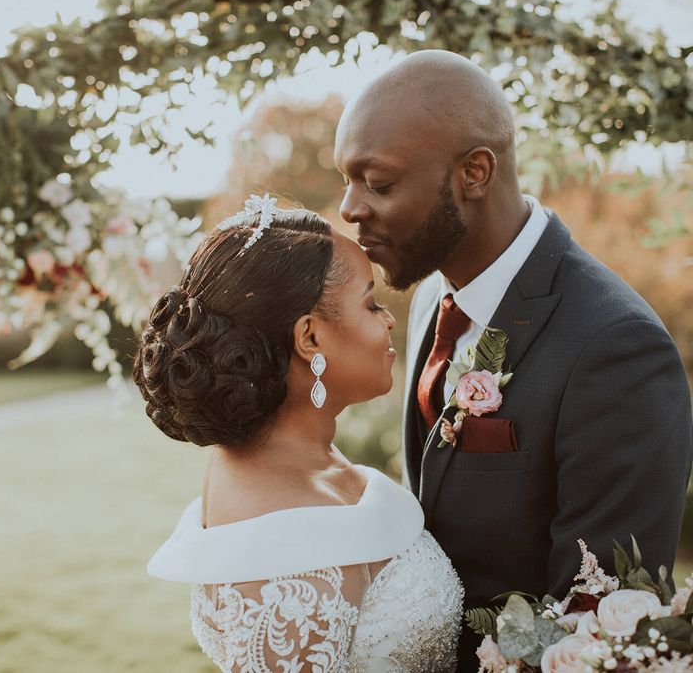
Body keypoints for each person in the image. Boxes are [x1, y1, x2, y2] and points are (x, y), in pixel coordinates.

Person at [334, 50, 693, 672]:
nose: (350, 207)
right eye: (348, 179)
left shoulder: (616, 347)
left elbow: (597, 621)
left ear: (474, 172)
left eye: (379, 182)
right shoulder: (427, 301)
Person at [134, 195, 464, 672]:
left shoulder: (280, 459)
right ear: (309, 338)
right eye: (371, 305)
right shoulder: (290, 553)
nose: (389, 320)